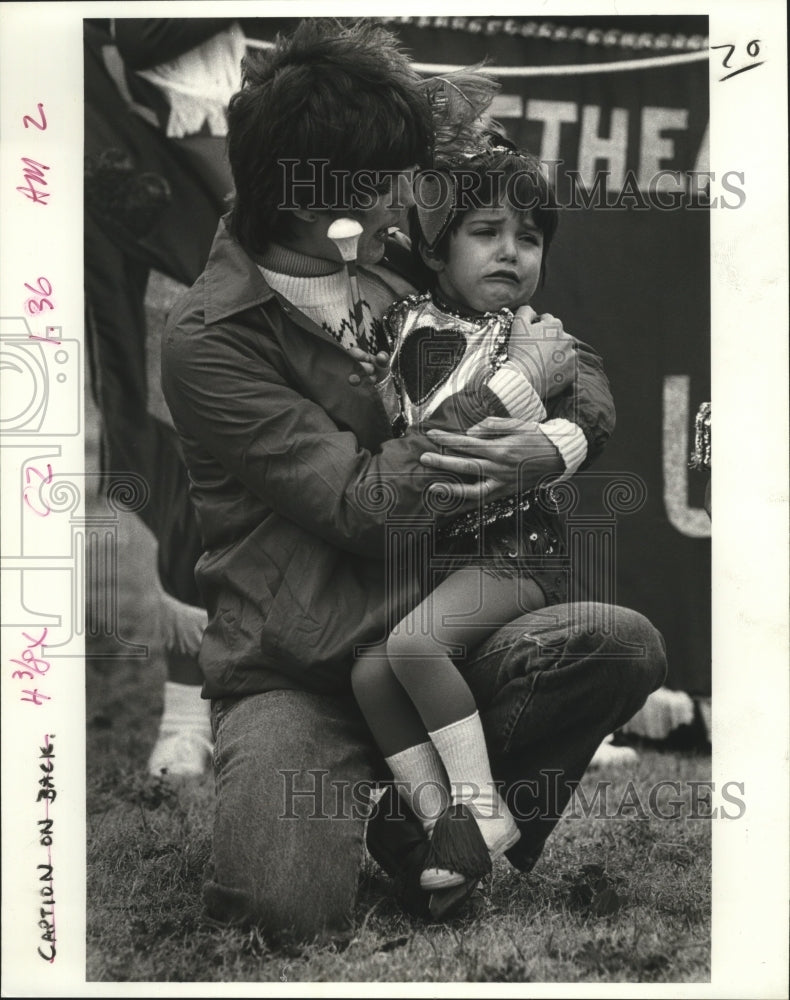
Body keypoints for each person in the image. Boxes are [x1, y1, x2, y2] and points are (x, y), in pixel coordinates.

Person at [161, 18, 667, 944]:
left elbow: (563, 350)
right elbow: (364, 509)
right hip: (302, 669)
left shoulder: (392, 247)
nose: (416, 191)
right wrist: (506, 391)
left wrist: (560, 445)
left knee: (617, 643)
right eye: (396, 179)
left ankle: (429, 821)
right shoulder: (208, 342)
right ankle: (376, 798)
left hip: (437, 637)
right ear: (328, 204)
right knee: (283, 915)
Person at [351, 140, 592, 892]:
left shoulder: (540, 337)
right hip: (443, 559)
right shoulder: (401, 328)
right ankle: (441, 836)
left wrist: (556, 441)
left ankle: (482, 810)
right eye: (485, 232)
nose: (511, 252)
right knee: (371, 674)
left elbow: (596, 403)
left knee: (416, 648)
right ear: (439, 245)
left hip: (518, 555)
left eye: (529, 237)